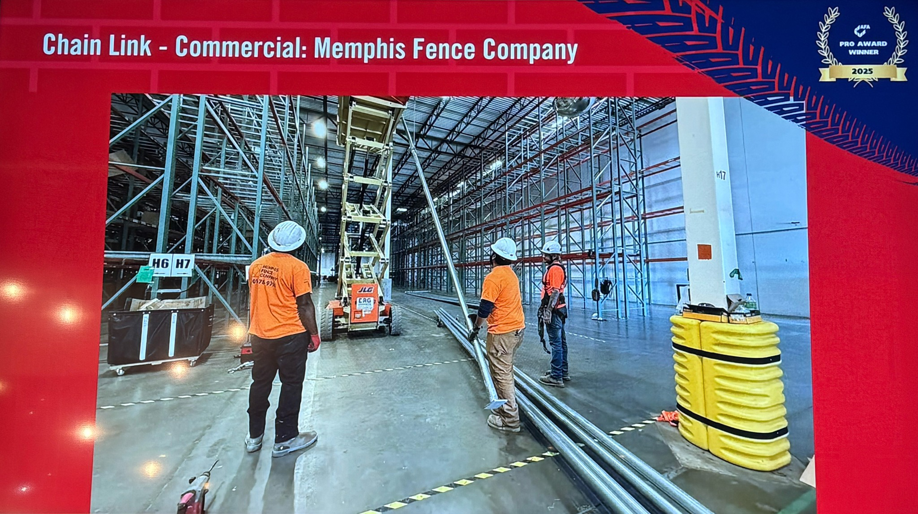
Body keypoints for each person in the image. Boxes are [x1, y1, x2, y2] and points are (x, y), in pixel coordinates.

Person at [245, 220, 322, 458]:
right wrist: (314, 334)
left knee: (260, 384)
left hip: (259, 335)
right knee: (291, 385)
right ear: (298, 244)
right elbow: (304, 305)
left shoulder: (256, 266)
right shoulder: (297, 267)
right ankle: (285, 439)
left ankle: (254, 436)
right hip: (290, 336)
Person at [468, 237, 526, 433]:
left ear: (494, 256)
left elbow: (485, 308)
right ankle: (504, 407)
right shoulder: (511, 275)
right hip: (517, 330)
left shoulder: (493, 277)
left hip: (502, 334)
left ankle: (509, 420)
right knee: (505, 372)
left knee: (501, 377)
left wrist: (476, 327)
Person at [537, 241, 569, 388]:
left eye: (546, 254)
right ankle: (562, 371)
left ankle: (556, 376)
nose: (543, 257)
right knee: (561, 343)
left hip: (555, 311)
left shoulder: (555, 269)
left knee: (556, 343)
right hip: (559, 310)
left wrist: (548, 311)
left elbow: (555, 292)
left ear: (554, 255)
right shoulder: (555, 267)